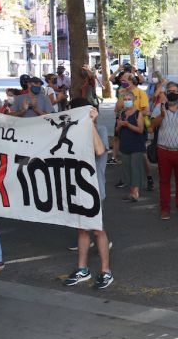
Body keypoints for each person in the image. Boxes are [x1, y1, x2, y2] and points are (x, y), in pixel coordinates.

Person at [63, 105, 115, 289]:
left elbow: (100, 151)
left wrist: (90, 123)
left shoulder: (99, 129)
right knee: (82, 229)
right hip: (77, 187)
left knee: (97, 229)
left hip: (94, 188)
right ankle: (82, 269)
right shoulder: (72, 131)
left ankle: (105, 272)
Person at [150, 82, 178, 220]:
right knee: (164, 181)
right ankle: (165, 209)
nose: (173, 93)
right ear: (166, 92)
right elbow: (152, 126)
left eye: (176, 91)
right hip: (164, 150)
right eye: (170, 90)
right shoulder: (160, 107)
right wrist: (161, 116)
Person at [116, 91, 146, 202]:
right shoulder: (122, 113)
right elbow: (117, 131)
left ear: (133, 101)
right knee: (127, 169)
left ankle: (135, 193)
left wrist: (128, 125)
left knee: (135, 168)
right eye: (125, 99)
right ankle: (131, 192)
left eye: (129, 99)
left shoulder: (138, 113)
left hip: (136, 145)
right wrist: (119, 125)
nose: (127, 101)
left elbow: (140, 130)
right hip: (125, 145)